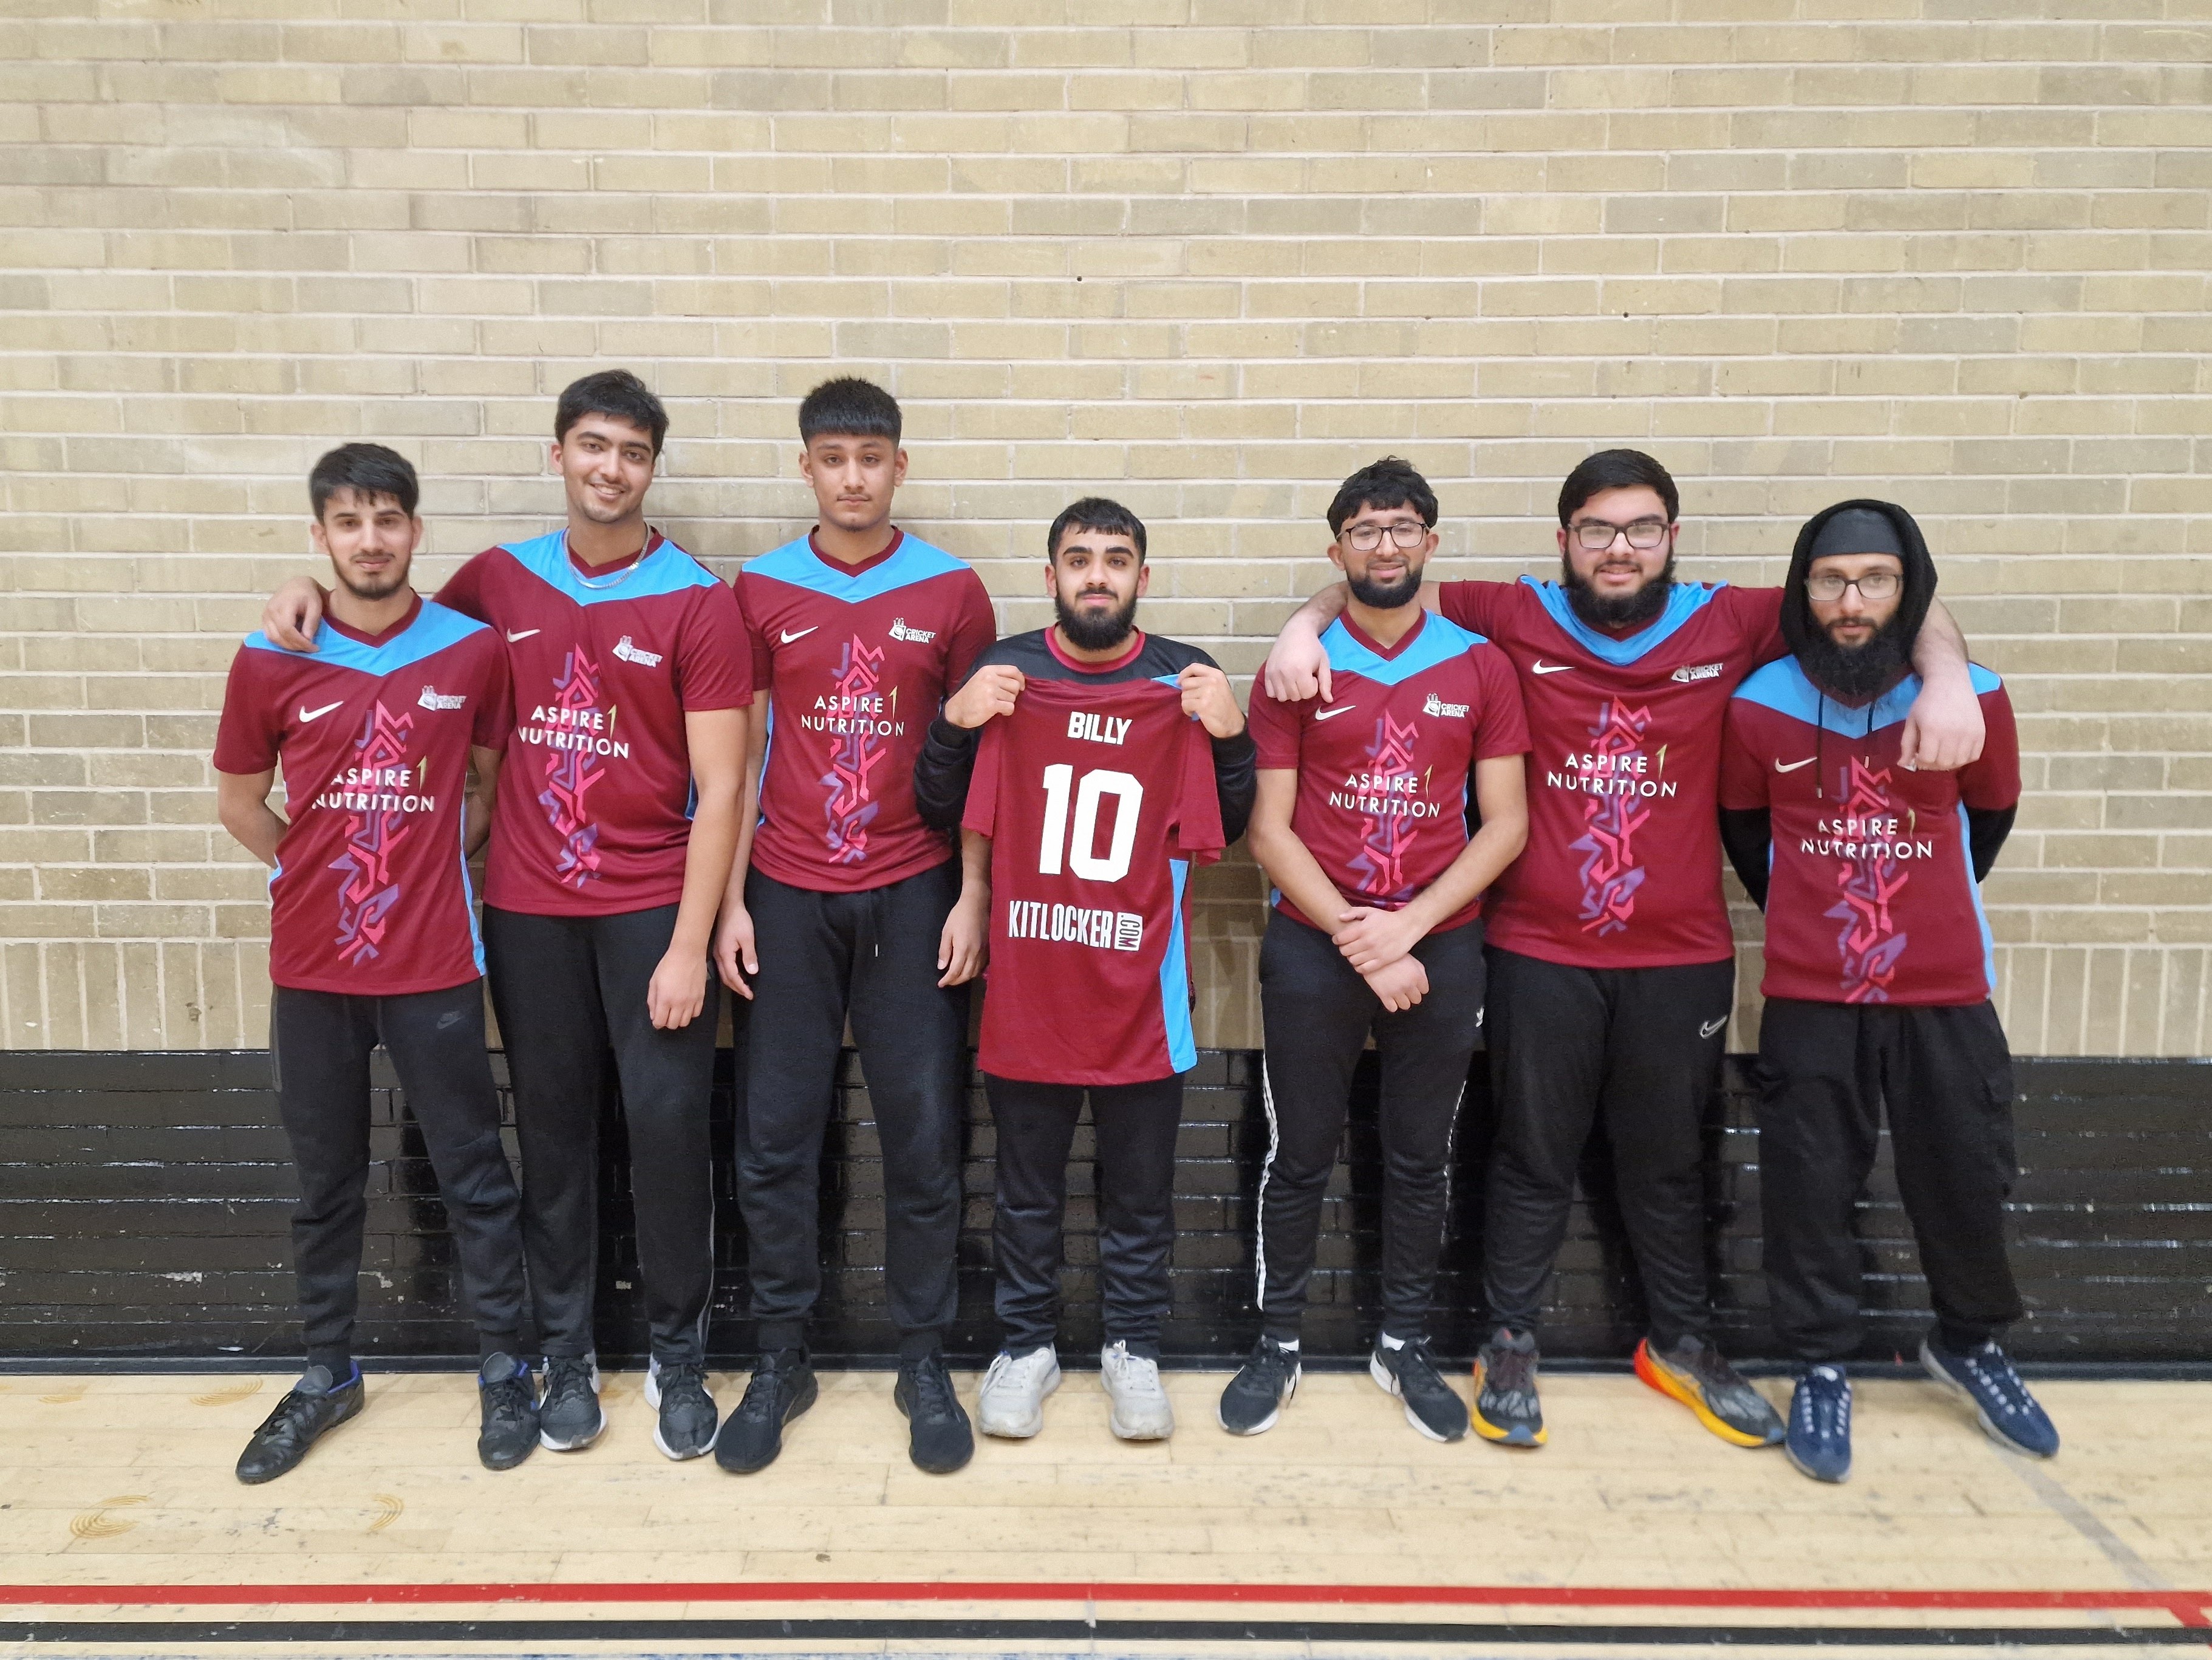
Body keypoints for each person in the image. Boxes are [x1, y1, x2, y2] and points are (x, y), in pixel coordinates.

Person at [1263, 448, 1988, 1453]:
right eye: (1596, 529)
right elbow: (1374, 576)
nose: (1618, 548)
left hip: (1681, 953)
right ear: (1564, 539)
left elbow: (1878, 606)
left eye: (1640, 528)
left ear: (1670, 538)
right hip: (1536, 948)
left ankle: (1680, 1342)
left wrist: (1944, 675)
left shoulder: (1727, 620)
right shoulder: (1511, 614)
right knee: (1529, 1154)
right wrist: (1301, 626)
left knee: (1667, 1162)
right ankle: (1508, 1341)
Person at [256, 374, 753, 1465]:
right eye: (591, 444)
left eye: (629, 450)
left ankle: (678, 1357)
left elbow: (722, 787)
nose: (608, 466)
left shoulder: (697, 599)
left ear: (650, 468)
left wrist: (684, 941)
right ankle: (563, 1355)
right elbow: (382, 615)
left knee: (669, 1138)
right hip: (527, 914)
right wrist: (298, 582)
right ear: (559, 454)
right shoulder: (495, 582)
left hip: (647, 919)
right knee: (557, 1142)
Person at [214, 444, 535, 1481]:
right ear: (319, 536)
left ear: (414, 529)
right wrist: (310, 864)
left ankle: (503, 1368)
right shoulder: (270, 656)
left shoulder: (472, 652)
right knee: (326, 1183)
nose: (368, 539)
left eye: (387, 519)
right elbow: (236, 802)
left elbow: (486, 790)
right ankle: (326, 1375)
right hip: (312, 969)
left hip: (436, 962)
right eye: (347, 523)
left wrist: (430, 858)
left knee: (475, 1176)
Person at [1719, 499, 2054, 1484]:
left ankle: (1971, 1342)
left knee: (1961, 1173)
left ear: (1909, 586)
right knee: (1808, 1185)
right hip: (1812, 994)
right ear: (1802, 588)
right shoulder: (1758, 704)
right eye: (1830, 580)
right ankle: (1821, 1360)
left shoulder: (1974, 698)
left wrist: (1917, 911)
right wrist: (1818, 915)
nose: (1851, 601)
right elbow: (1747, 837)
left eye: (1875, 579)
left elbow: (1985, 823)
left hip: (1942, 988)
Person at [913, 497, 1255, 1442]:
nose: (1095, 574)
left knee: (1138, 1188)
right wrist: (954, 720)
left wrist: (1229, 734)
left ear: (1141, 575)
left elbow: (1223, 825)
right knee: (1024, 1187)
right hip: (1029, 970)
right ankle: (1025, 1345)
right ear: (1053, 575)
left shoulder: (1180, 684)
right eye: (1077, 558)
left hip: (1144, 985)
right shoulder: (1008, 676)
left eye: (1114, 559)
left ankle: (1132, 1348)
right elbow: (950, 804)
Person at [715, 378, 997, 1477]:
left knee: (923, 1137)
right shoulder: (760, 590)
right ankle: (780, 1357)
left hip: (916, 886)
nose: (852, 476)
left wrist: (971, 894)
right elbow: (734, 755)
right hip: (785, 889)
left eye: (871, 456)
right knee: (775, 1137)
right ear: (805, 469)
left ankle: (921, 1356)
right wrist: (732, 895)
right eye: (831, 457)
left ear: (899, 466)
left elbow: (977, 758)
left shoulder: (951, 590)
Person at [1226, 459, 1529, 1443]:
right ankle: (1275, 1343)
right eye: (1363, 530)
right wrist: (1365, 938)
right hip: (1315, 944)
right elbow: (1267, 831)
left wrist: (1407, 926)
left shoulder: (1480, 665)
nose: (1384, 545)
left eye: (1401, 527)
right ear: (1336, 550)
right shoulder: (1295, 668)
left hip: (1437, 944)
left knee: (1417, 1156)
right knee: (1298, 1152)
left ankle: (1402, 1342)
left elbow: (1505, 824)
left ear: (1430, 544)